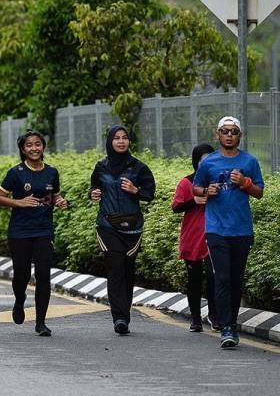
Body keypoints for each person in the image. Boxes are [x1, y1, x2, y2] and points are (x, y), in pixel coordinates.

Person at [193, 116, 264, 348]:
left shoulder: (250, 161)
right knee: (222, 276)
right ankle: (225, 327)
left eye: (234, 131)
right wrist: (207, 190)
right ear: (218, 135)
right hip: (216, 229)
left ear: (239, 136)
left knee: (235, 279)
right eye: (225, 131)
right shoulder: (208, 162)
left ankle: (232, 324)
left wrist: (244, 182)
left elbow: (259, 192)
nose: (229, 135)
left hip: (241, 229)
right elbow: (196, 187)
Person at [0, 130, 69, 337]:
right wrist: (19, 203)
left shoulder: (52, 172)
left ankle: (41, 323)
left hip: (44, 229)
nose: (34, 148)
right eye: (29, 145)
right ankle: (19, 301)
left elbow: (54, 196)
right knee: (22, 275)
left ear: (43, 147)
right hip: (20, 231)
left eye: (38, 144)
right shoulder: (16, 172)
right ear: (22, 149)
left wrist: (61, 202)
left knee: (43, 275)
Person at [89, 126, 156, 335]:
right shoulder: (101, 167)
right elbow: (93, 188)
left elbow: (150, 193)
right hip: (107, 225)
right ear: (110, 142)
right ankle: (119, 318)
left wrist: (136, 191)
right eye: (116, 138)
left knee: (127, 270)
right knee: (115, 266)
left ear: (129, 142)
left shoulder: (138, 167)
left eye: (124, 138)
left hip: (132, 228)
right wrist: (93, 194)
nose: (120, 141)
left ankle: (124, 315)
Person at [172, 144, 218, 332]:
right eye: (202, 160)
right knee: (195, 279)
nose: (205, 163)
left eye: (210, 159)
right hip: (192, 237)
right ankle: (195, 318)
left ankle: (215, 316)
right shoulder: (186, 183)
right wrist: (194, 201)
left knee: (214, 278)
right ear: (196, 161)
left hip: (215, 236)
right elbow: (176, 207)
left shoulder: (217, 182)